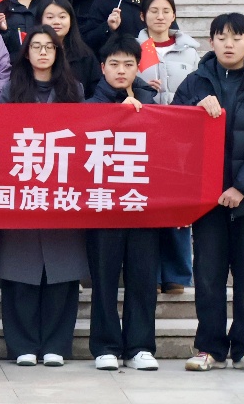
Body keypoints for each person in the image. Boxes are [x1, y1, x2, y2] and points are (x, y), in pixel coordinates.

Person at [176, 14, 244, 374]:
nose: (228, 44)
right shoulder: (193, 84)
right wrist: (194, 112)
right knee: (208, 277)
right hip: (207, 202)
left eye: (236, 38)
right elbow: (173, 132)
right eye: (221, 37)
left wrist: (241, 188)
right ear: (210, 42)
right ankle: (209, 347)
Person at [0, 26, 86, 367]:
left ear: (58, 52)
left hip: (62, 188)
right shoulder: (12, 89)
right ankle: (22, 345)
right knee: (20, 269)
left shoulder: (74, 89)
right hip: (22, 185)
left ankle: (56, 345)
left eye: (50, 46)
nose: (43, 52)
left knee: (62, 270)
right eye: (36, 46)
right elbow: (2, 135)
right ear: (27, 52)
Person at [86, 35, 159, 371]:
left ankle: (140, 346)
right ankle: (105, 346)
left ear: (137, 68)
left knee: (143, 278)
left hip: (143, 204)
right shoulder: (89, 106)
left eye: (128, 64)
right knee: (104, 278)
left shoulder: (154, 106)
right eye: (114, 64)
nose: (121, 70)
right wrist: (118, 115)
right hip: (102, 205)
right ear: (102, 68)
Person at [137, 0, 201, 295]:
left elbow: (201, 87)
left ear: (173, 15)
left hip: (179, 135)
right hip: (144, 134)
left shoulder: (189, 51)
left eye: (165, 11)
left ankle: (176, 273)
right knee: (147, 202)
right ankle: (149, 270)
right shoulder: (135, 48)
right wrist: (141, 86)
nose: (159, 16)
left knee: (177, 202)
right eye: (153, 11)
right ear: (143, 16)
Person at [41, 0, 100, 98]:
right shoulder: (31, 53)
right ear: (40, 20)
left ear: (71, 21)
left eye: (62, 17)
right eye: (50, 17)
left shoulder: (84, 55)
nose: (56, 22)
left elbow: (95, 92)